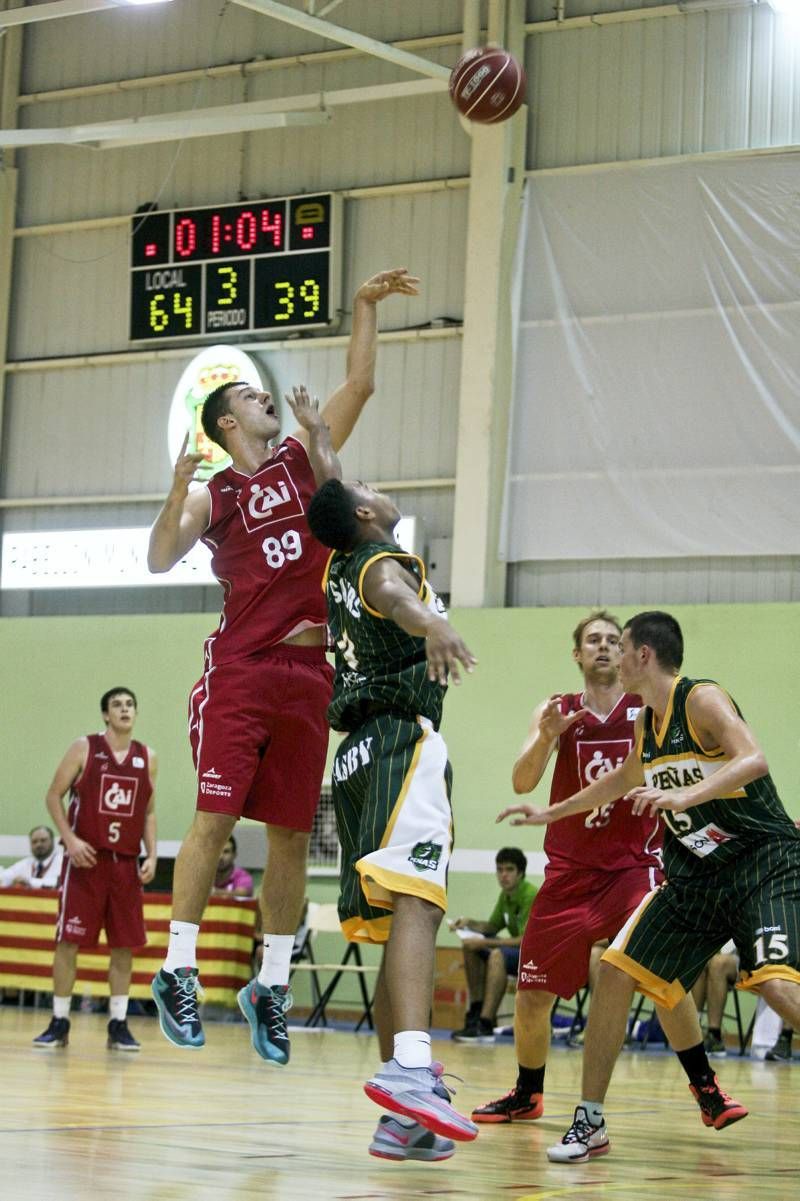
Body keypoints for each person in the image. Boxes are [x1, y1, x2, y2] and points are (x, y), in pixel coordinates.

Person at [148, 268, 419, 1060]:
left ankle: (269, 981)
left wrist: (363, 305)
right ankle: (178, 968)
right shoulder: (216, 493)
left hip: (311, 676)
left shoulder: (306, 461)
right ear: (226, 422)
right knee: (215, 819)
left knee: (296, 838)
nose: (266, 398)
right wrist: (173, 494)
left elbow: (361, 381)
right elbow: (162, 557)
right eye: (250, 396)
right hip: (241, 669)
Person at [505, 610, 800, 1163]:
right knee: (616, 972)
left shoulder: (702, 698)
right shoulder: (645, 722)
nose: (612, 655)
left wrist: (685, 797)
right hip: (697, 877)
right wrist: (551, 814)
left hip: (762, 865)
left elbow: (754, 759)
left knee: (777, 988)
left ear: (642, 655)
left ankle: (703, 1085)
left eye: (621, 646)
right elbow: (620, 782)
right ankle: (589, 1121)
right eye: (600, 645)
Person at [306, 476, 478, 1159]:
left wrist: (320, 435)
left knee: (396, 923)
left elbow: (333, 493)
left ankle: (401, 1119)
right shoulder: (380, 565)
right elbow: (398, 599)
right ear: (366, 513)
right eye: (368, 487)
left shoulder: (338, 563)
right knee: (422, 903)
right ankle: (410, 1067)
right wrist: (432, 619)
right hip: (402, 742)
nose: (378, 487)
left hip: (355, 756)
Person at [473, 610, 663, 1124]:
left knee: (655, 973)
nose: (603, 647)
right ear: (577, 654)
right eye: (592, 641)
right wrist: (544, 737)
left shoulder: (647, 706)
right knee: (532, 994)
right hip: (570, 873)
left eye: (611, 641)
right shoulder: (557, 709)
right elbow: (521, 782)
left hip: (632, 866)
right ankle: (527, 1093)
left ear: (627, 654)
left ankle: (701, 1080)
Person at [33, 688, 157, 1052]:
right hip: (86, 862)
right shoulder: (84, 748)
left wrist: (151, 855)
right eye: (117, 705)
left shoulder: (147, 757)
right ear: (105, 714)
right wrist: (69, 839)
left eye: (130, 704)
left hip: (124, 864)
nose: (125, 710)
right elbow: (53, 795)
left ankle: (118, 1023)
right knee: (68, 941)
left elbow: (148, 811)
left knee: (124, 946)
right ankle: (59, 1020)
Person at [450, 848, 537, 1043]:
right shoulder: (505, 896)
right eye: (500, 870)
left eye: (509, 869)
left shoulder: (529, 895)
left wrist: (485, 941)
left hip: (536, 956)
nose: (503, 875)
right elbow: (492, 926)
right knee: (470, 947)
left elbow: (526, 940)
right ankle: (476, 1010)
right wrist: (469, 923)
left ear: (520, 873)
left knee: (497, 955)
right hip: (519, 952)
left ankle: (486, 1023)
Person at [691, 941, 739, 1056]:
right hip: (716, 951)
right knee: (699, 959)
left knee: (718, 963)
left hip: (747, 957)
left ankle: (714, 1035)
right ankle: (693, 1030)